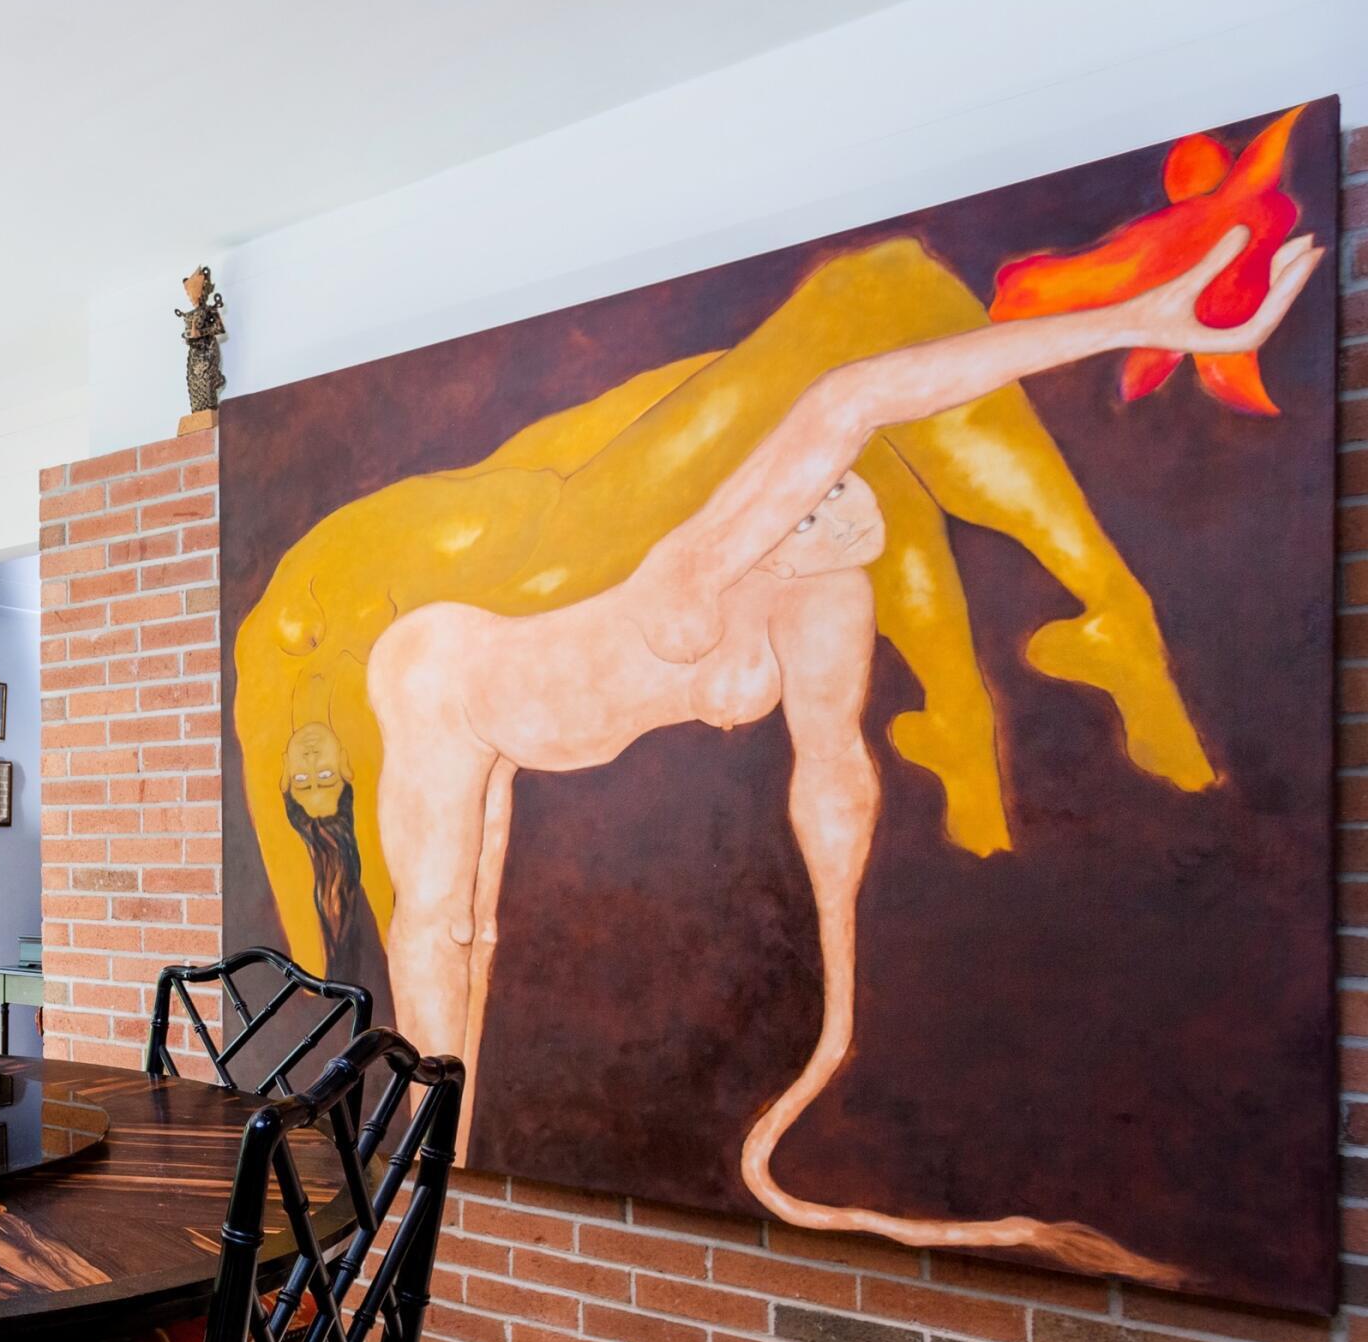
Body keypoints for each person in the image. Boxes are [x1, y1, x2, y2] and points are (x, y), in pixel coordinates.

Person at [367, 225, 1319, 1274]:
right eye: (806, 502)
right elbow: (855, 397)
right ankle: (427, 1182)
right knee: (448, 924)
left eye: (832, 513)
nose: (815, 511)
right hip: (450, 679)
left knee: (479, 934)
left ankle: (435, 1193)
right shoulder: (708, 552)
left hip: (530, 711)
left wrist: (838, 986)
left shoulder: (823, 591)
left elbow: (835, 764)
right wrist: (1138, 320)